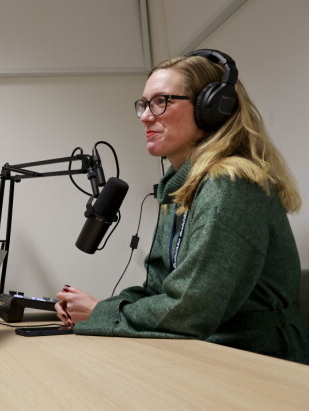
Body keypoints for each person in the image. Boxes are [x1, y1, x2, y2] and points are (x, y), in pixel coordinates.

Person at [55, 49, 309, 364]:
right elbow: (159, 290)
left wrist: (100, 312)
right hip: (208, 348)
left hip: (258, 360)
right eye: (144, 104)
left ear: (212, 108)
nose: (147, 116)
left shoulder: (228, 186)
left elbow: (191, 311)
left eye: (163, 101)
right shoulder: (179, 186)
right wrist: (97, 308)